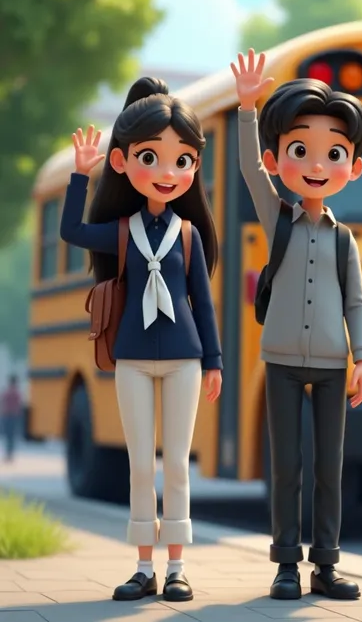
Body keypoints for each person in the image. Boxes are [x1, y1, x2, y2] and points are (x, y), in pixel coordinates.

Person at [60, 77, 222, 604]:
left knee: (176, 462)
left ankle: (177, 567)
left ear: (195, 165)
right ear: (125, 163)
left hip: (185, 360)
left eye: (181, 161)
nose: (167, 173)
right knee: (139, 462)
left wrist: (215, 361)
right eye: (150, 158)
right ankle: (142, 566)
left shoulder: (191, 235)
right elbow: (72, 233)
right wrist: (79, 178)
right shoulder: (123, 229)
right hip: (131, 357)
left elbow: (203, 301)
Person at [230, 50, 362, 601]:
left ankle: (327, 565)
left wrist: (361, 358)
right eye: (300, 150)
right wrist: (247, 108)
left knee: (329, 471)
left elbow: (356, 303)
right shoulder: (278, 217)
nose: (317, 164)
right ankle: (286, 564)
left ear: (352, 165)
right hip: (281, 360)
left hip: (333, 364)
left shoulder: (344, 240)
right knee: (286, 467)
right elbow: (247, 169)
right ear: (279, 156)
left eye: (333, 152)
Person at [1, 375, 22, 461]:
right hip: (14, 416)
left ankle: (8, 454)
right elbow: (19, 405)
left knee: (8, 437)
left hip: (7, 415)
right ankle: (10, 454)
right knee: (12, 437)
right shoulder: (17, 393)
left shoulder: (6, 392)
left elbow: (2, 402)